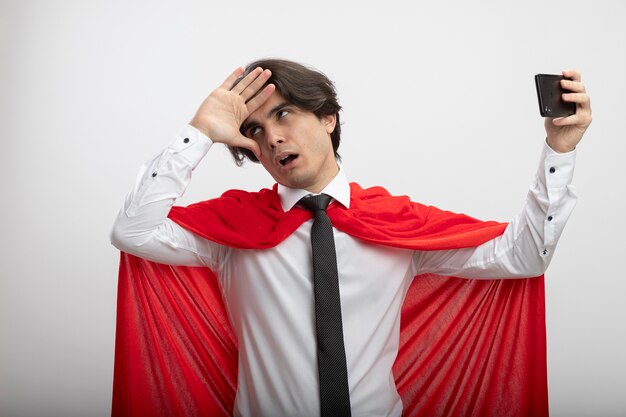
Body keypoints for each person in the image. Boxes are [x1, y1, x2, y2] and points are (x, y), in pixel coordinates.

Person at [110, 59, 592, 417]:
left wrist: (559, 151)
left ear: (327, 118)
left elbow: (525, 256)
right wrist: (198, 133)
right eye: (254, 129)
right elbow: (132, 231)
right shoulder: (232, 229)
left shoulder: (397, 223)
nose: (272, 138)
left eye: (284, 115)